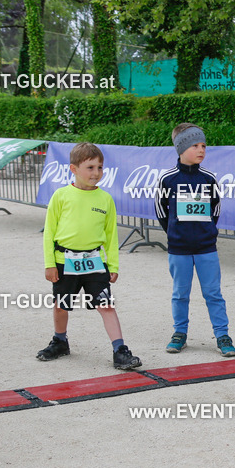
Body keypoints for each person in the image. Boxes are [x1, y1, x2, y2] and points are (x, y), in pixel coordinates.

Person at [37, 142, 142, 369]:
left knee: (106, 305)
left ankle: (120, 350)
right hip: (64, 262)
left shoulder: (105, 199)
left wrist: (112, 266)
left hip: (95, 263)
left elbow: (111, 236)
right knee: (61, 305)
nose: (96, 173)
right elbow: (49, 233)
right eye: (90, 167)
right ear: (74, 169)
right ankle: (60, 341)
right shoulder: (60, 196)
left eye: (100, 168)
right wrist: (49, 264)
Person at [154, 123, 235, 357]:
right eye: (195, 145)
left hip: (206, 249)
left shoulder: (209, 179)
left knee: (213, 293)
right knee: (180, 293)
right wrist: (173, 232)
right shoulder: (167, 180)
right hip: (178, 249)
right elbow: (160, 210)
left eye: (203, 145)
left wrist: (207, 231)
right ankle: (179, 333)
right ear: (180, 148)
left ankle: (222, 335)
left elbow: (216, 208)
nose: (201, 149)